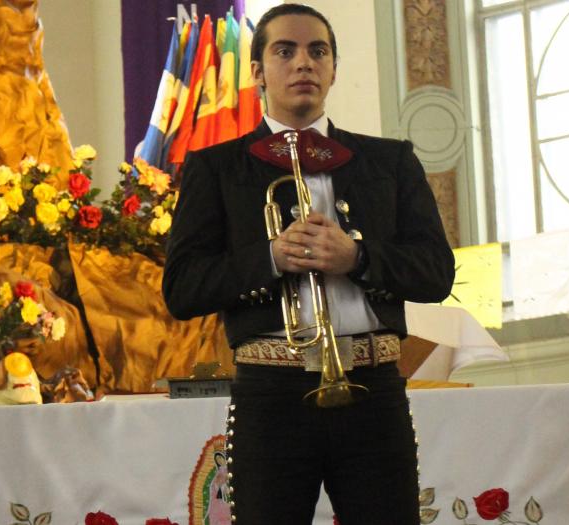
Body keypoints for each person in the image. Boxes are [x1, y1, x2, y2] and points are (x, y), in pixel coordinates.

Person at [163, 4, 455, 524]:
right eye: (285, 51)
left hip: (374, 387)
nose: (304, 63)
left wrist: (358, 257)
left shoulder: (390, 161)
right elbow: (182, 288)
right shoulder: (215, 168)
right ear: (256, 72)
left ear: (334, 69)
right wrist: (270, 258)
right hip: (270, 394)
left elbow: (436, 273)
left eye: (318, 51)